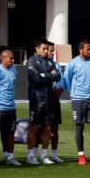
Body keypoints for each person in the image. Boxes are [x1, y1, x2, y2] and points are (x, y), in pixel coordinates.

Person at [64, 39, 90, 166]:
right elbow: (67, 79)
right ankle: (81, 156)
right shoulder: (72, 64)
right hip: (78, 99)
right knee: (79, 127)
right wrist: (73, 93)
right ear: (80, 50)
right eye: (87, 49)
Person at [26, 37, 61, 165]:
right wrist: (48, 76)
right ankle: (30, 155)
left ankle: (44, 155)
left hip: (48, 100)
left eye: (47, 49)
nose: (47, 51)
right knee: (35, 127)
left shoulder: (50, 63)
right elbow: (35, 78)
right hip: (36, 99)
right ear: (37, 49)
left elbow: (57, 76)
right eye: (44, 49)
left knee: (47, 127)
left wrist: (44, 75)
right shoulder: (31, 61)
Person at [33, 42, 64, 163]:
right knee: (39, 127)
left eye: (52, 51)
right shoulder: (37, 63)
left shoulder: (56, 65)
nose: (51, 53)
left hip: (54, 99)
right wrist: (48, 76)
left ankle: (54, 154)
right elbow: (38, 78)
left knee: (54, 128)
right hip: (41, 99)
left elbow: (60, 78)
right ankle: (35, 154)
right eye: (49, 50)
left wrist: (60, 88)